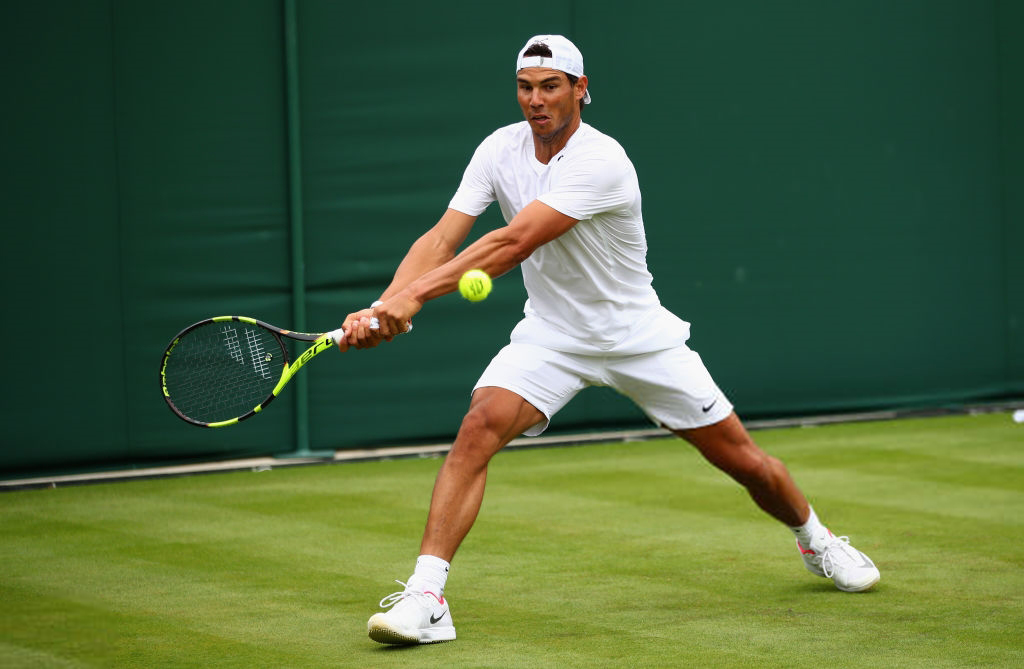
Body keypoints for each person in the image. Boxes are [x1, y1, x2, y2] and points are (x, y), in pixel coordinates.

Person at [338, 34, 880, 646]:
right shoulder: (498, 149)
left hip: (636, 335)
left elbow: (512, 243)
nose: (535, 99)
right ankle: (427, 598)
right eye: (525, 86)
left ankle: (817, 541)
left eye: (550, 86)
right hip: (552, 335)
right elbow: (443, 238)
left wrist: (412, 300)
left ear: (580, 90)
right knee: (478, 427)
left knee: (744, 462)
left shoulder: (603, 161)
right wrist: (385, 304)